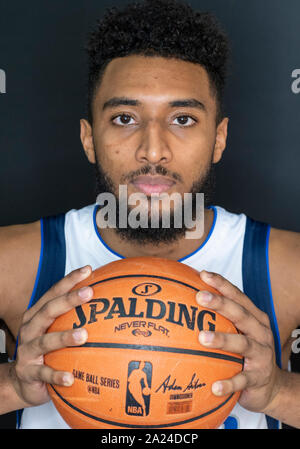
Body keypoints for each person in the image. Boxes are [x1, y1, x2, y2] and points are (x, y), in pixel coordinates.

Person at [0, 0, 299, 430]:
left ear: (219, 138)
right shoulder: (21, 261)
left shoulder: (281, 268)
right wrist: (13, 383)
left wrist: (276, 392)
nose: (153, 149)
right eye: (124, 117)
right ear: (89, 139)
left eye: (182, 118)